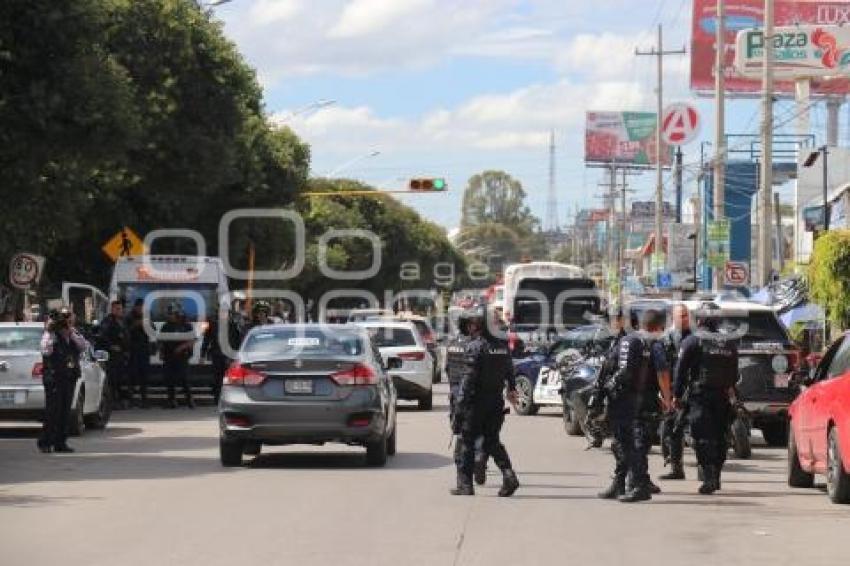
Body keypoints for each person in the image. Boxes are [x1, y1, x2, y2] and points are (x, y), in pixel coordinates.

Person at [598, 309, 671, 503]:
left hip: (637, 401)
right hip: (637, 400)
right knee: (626, 443)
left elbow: (661, 373)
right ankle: (621, 482)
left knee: (632, 444)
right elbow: (662, 373)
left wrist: (667, 398)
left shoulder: (641, 342)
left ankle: (638, 484)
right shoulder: (646, 342)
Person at [451, 307, 520, 497]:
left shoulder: (475, 347)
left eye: (473, 324)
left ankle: (465, 485)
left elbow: (467, 380)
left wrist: (459, 409)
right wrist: (512, 389)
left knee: (466, 441)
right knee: (492, 441)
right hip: (495, 402)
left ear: (479, 326)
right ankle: (508, 474)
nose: (470, 327)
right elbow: (510, 372)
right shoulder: (502, 347)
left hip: (475, 403)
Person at [673, 310, 739, 495]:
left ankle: (709, 476)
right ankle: (715, 475)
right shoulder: (729, 343)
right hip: (723, 396)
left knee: (703, 437)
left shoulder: (692, 341)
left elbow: (680, 370)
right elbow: (735, 374)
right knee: (720, 437)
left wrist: (676, 395)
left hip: (700, 396)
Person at [38, 308, 89, 453]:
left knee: (65, 411)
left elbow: (83, 346)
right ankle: (45, 442)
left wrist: (71, 332)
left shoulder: (72, 335)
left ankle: (60, 442)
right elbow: (45, 350)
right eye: (65, 319)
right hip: (54, 378)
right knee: (53, 411)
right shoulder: (50, 335)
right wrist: (50, 330)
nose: (67, 322)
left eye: (69, 318)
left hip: (69, 377)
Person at [659, 304, 692, 481]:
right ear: (673, 318)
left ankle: (707, 471)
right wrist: (666, 392)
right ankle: (675, 467)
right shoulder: (667, 339)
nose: (684, 319)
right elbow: (662, 368)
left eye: (686, 315)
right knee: (671, 428)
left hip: (692, 388)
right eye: (681, 316)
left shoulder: (695, 337)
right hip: (673, 389)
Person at [158, 307, 195, 409]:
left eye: (172, 314)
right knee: (169, 379)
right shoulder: (166, 326)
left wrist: (182, 347)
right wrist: (161, 352)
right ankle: (171, 400)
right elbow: (160, 340)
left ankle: (189, 400)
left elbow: (192, 340)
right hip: (169, 356)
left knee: (184, 379)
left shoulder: (186, 326)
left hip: (182, 356)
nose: (170, 316)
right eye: (169, 314)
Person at [98, 300, 129, 408]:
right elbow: (102, 337)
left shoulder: (122, 321)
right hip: (111, 355)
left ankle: (119, 400)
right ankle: (112, 402)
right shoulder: (108, 321)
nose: (119, 311)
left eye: (120, 309)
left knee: (120, 379)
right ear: (112, 309)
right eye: (117, 309)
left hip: (121, 355)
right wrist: (111, 346)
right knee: (112, 379)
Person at [125, 298, 151, 408]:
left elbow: (152, 331)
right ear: (136, 307)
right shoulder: (129, 317)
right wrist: (136, 324)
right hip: (133, 350)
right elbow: (125, 331)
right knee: (132, 376)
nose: (141, 310)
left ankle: (144, 400)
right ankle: (131, 400)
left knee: (144, 376)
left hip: (144, 350)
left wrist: (146, 324)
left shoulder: (146, 317)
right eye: (140, 307)